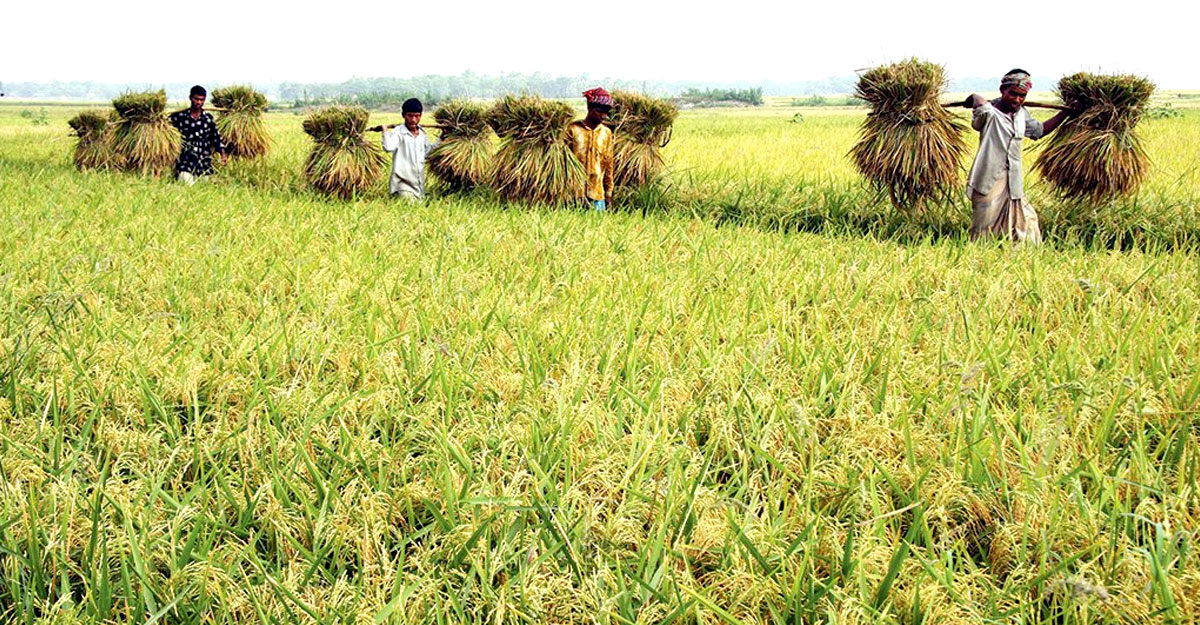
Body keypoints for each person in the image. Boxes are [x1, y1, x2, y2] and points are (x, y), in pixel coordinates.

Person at [965, 70, 1071, 243]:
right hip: (989, 178)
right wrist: (975, 97)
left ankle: (1020, 256)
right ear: (1002, 90)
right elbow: (978, 117)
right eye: (1012, 93)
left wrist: (1065, 114)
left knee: (1027, 220)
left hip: (1013, 180)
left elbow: (1039, 131)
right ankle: (978, 260)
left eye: (1022, 95)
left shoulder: (1021, 114)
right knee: (984, 228)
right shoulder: (990, 113)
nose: (1017, 99)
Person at [566, 87, 615, 211]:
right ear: (590, 108)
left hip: (597, 195)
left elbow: (609, 164)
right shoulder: (572, 129)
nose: (603, 116)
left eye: (606, 113)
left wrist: (608, 194)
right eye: (599, 111)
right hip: (573, 193)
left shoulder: (606, 133)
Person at [168, 85, 226, 185]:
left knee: (204, 188)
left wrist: (223, 155)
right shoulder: (179, 117)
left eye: (202, 100)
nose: (199, 102)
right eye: (196, 99)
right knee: (186, 184)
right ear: (190, 98)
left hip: (204, 161)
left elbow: (216, 138)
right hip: (186, 160)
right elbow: (168, 133)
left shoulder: (208, 119)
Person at [381, 98, 436, 200]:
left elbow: (428, 152)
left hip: (419, 186)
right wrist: (385, 131)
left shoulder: (422, 134)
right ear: (403, 115)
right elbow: (388, 147)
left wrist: (442, 137)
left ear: (421, 116)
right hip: (402, 185)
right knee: (411, 205)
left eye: (417, 116)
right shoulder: (398, 133)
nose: (413, 119)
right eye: (410, 115)